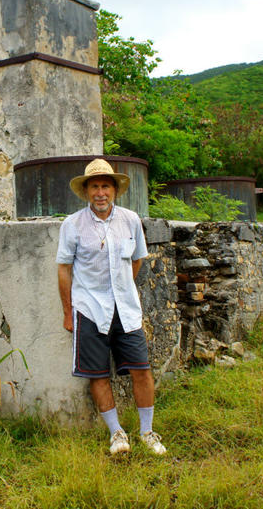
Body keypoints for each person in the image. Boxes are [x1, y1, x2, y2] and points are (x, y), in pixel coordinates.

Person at [56, 158, 167, 455]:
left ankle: (147, 432)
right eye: (95, 186)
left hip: (126, 310)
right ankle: (116, 433)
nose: (100, 192)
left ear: (115, 190)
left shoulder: (130, 220)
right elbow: (64, 269)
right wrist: (69, 312)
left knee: (142, 370)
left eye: (106, 185)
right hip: (89, 308)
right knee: (97, 373)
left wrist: (121, 289)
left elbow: (138, 259)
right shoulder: (73, 225)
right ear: (87, 191)